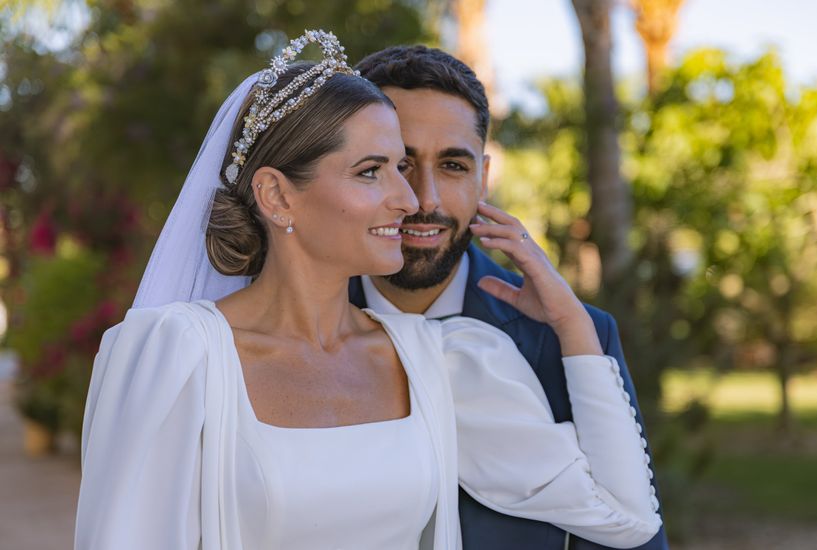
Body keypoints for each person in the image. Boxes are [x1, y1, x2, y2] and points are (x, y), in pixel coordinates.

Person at [75, 30, 661, 550]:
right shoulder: (176, 355)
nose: (413, 201)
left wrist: (574, 326)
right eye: (373, 171)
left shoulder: (442, 360)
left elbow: (626, 518)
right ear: (278, 196)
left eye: (439, 167)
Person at [352, 46, 669, 550]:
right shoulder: (290, 327)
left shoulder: (573, 336)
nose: (425, 199)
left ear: (484, 175)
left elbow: (631, 538)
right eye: (398, 164)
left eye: (453, 165)